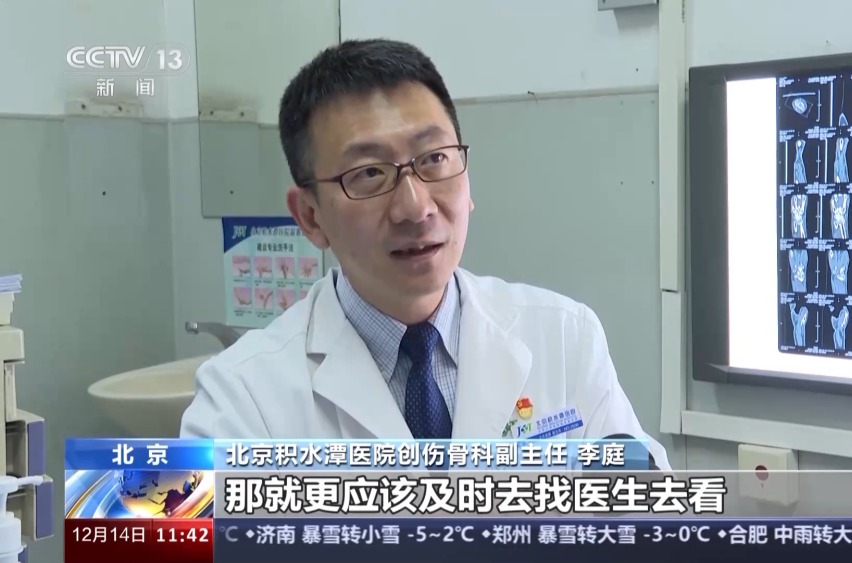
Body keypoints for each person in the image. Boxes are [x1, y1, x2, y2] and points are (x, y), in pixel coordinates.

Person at [179, 39, 670, 471]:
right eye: (369, 174)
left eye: (435, 159)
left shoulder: (564, 338)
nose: (415, 207)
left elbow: (650, 514)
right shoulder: (242, 398)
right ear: (310, 217)